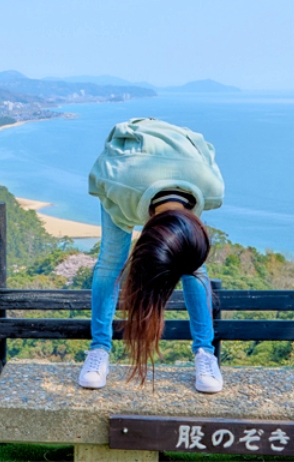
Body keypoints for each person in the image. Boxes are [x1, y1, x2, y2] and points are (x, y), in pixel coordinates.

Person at [78, 117, 225, 393]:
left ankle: (205, 352)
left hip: (186, 169)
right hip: (127, 175)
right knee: (111, 261)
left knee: (195, 267)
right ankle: (99, 348)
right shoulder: (119, 187)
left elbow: (207, 150)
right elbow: (97, 178)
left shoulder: (212, 190)